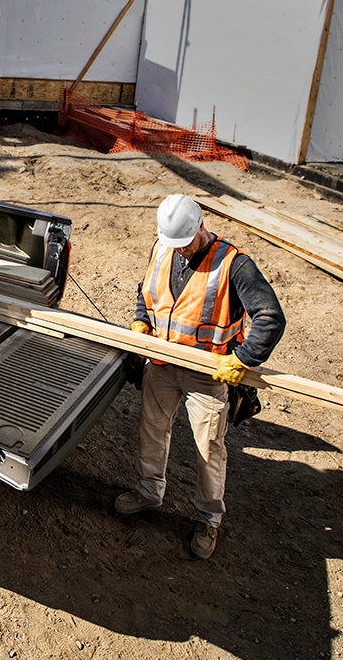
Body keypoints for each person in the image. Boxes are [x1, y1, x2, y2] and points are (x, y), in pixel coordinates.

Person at [114, 193, 286, 560]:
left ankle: (209, 518)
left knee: (209, 447)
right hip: (162, 365)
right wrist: (141, 320)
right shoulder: (162, 248)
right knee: (151, 429)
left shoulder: (234, 265)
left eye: (185, 244)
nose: (179, 251)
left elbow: (270, 318)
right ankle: (148, 492)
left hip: (207, 374)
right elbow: (147, 294)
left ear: (201, 227)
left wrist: (243, 359)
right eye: (172, 244)